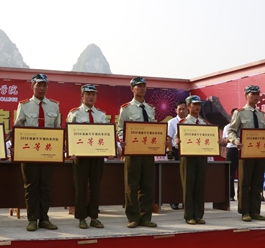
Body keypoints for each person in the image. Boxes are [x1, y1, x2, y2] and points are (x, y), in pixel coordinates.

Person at [14, 73, 61, 232]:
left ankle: (44, 219)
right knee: (31, 186)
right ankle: (32, 219)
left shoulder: (54, 106)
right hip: (29, 154)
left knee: (46, 187)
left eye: (44, 85)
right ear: (32, 86)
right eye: (38, 85)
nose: (41, 88)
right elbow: (18, 128)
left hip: (48, 154)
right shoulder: (24, 105)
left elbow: (57, 129)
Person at [66, 84, 109, 229]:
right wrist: (70, 152)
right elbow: (69, 135)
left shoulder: (101, 115)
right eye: (88, 94)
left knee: (95, 187)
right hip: (80, 157)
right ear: (82, 96)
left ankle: (94, 217)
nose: (91, 97)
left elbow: (106, 135)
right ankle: (81, 218)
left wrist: (109, 150)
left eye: (93, 94)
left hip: (97, 157)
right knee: (81, 187)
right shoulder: (75, 114)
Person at [117, 76, 157, 228]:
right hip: (132, 152)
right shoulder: (126, 108)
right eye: (139, 86)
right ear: (132, 89)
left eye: (144, 86)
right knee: (131, 185)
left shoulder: (150, 109)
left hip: (148, 152)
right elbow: (120, 128)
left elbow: (154, 130)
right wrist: (123, 140)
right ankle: (133, 217)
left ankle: (145, 217)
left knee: (147, 185)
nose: (142, 89)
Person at [227, 85, 265, 222]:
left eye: (257, 94)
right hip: (245, 152)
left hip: (259, 153)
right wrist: (236, 141)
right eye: (252, 94)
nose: (256, 96)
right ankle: (245, 211)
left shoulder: (261, 114)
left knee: (257, 182)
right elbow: (231, 131)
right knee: (245, 182)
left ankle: (255, 211)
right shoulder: (239, 113)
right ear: (246, 96)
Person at [174, 95, 209, 225]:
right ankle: (189, 215)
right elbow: (176, 140)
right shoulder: (183, 123)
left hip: (201, 157)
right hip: (187, 158)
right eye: (195, 104)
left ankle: (198, 215)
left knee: (200, 185)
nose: (198, 107)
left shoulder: (204, 123)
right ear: (189, 106)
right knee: (188, 186)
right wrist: (177, 142)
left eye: (199, 105)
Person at [166, 101, 188, 209]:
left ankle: (185, 200)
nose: (182, 111)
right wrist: (171, 155)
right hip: (176, 151)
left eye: (184, 109)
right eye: (180, 109)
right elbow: (168, 139)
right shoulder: (172, 122)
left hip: (187, 152)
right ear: (176, 110)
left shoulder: (190, 121)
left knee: (187, 177)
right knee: (175, 177)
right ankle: (174, 201)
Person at [223, 108, 239, 201]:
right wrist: (235, 139)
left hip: (242, 150)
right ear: (231, 115)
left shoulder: (243, 126)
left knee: (243, 174)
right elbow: (225, 140)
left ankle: (241, 195)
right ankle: (230, 195)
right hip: (232, 150)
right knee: (231, 173)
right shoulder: (227, 127)